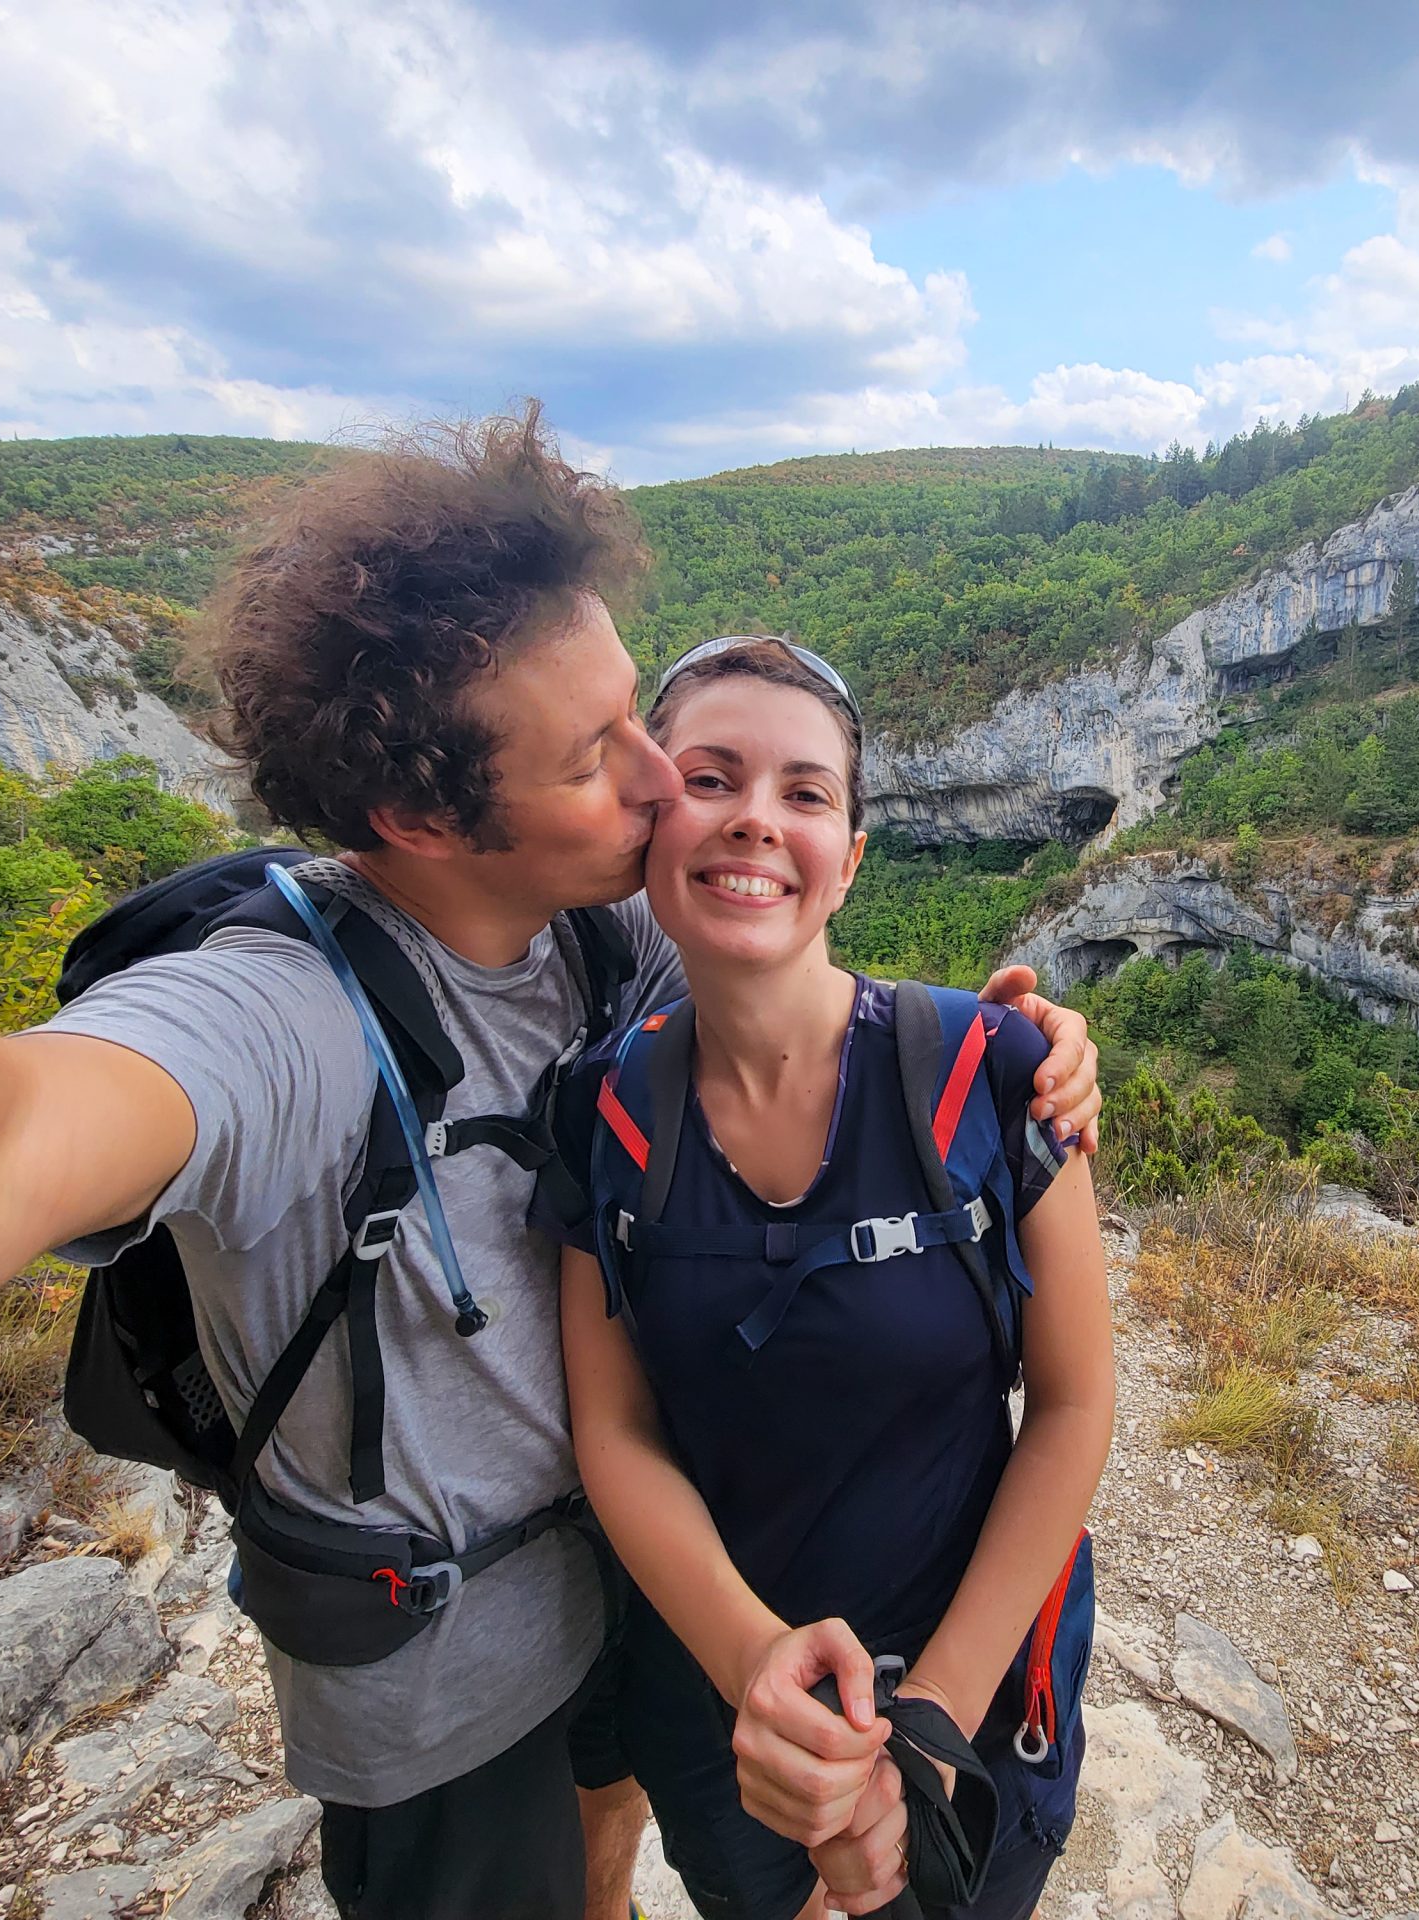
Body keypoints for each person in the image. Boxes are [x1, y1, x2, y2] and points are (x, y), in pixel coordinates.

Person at [0, 413, 1102, 1920]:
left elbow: (791, 960)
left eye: (643, 720)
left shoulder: (604, 921)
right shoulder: (278, 1017)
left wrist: (1017, 1040)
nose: (660, 787)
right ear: (423, 816)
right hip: (446, 1689)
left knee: (607, 1850)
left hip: (641, 1602)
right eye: (600, 756)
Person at [559, 638, 1115, 1920]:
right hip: (716, 1711)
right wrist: (755, 1669)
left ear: (852, 856)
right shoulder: (597, 1112)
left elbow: (1075, 1407)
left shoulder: (992, 1071)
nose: (756, 818)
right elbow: (617, 1427)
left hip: (969, 1691)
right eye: (710, 778)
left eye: (805, 794)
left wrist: (921, 1736)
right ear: (651, 825)